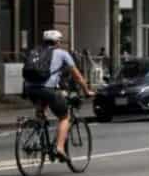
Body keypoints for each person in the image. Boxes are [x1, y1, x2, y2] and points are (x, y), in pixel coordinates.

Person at [23, 30, 95, 162]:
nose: (60, 43)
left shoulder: (34, 52)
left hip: (30, 89)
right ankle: (59, 148)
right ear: (57, 42)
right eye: (60, 41)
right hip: (48, 90)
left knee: (41, 111)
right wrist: (86, 90)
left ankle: (37, 134)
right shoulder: (62, 54)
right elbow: (77, 76)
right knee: (64, 117)